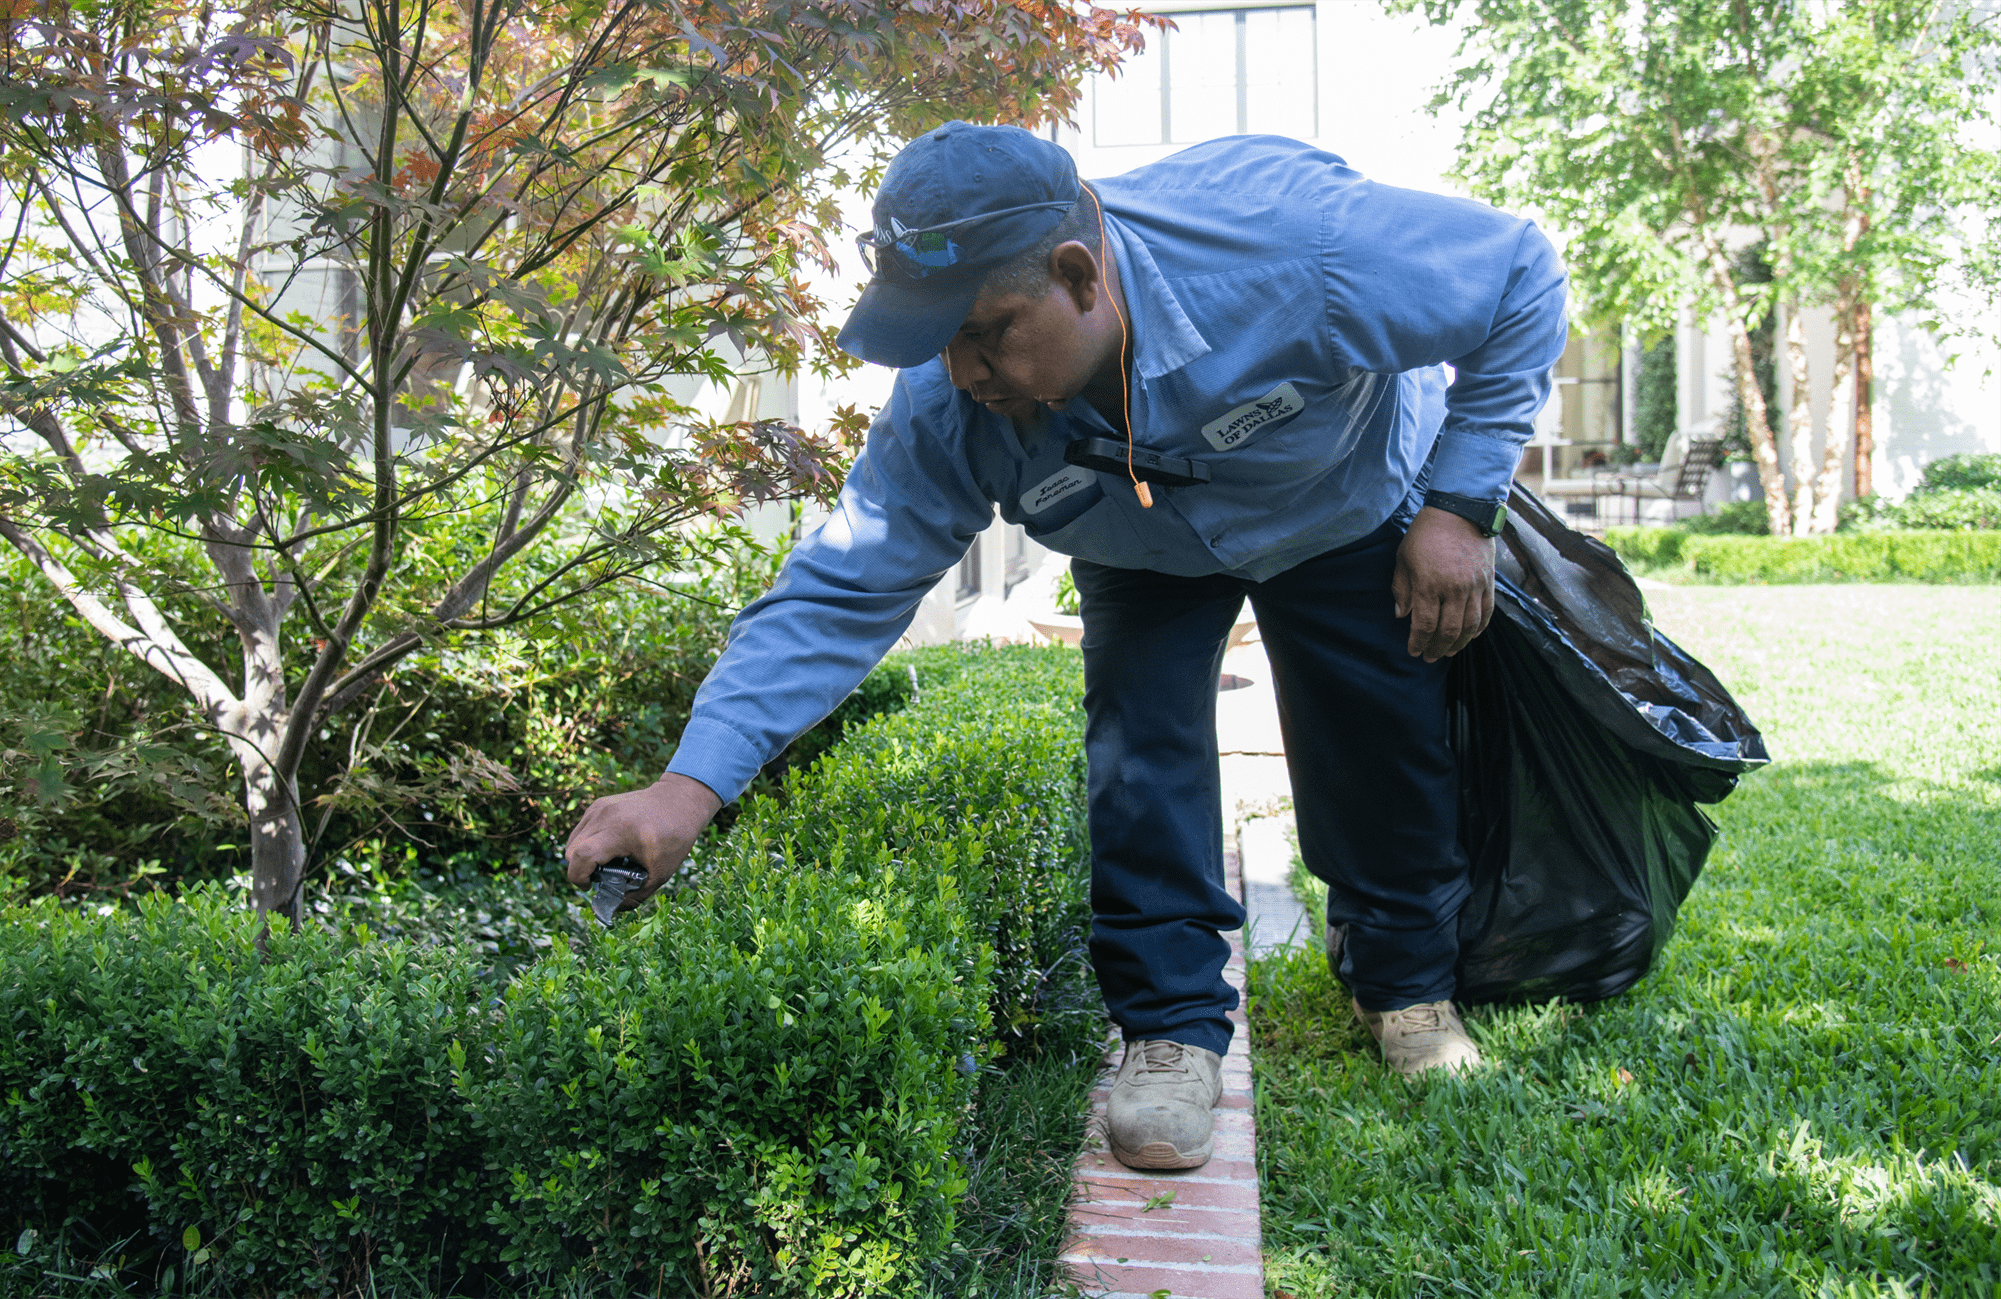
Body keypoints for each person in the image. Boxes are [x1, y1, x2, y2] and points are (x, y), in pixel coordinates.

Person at [565, 121, 1567, 1171]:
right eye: (937, 341)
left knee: (1378, 736)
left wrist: (1459, 507)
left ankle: (1405, 985)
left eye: (984, 331)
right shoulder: (946, 411)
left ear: (1079, 276)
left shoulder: (1297, 246)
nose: (960, 372)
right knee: (1137, 758)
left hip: (1337, 497)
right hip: (1134, 542)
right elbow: (840, 588)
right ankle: (1171, 1031)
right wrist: (688, 787)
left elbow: (1517, 278)